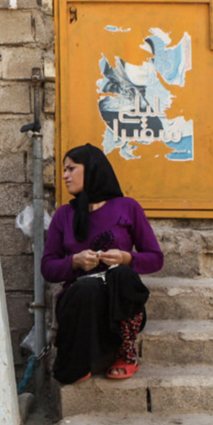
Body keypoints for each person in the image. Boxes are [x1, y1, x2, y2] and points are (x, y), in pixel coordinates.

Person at [41, 143, 163, 384]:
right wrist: (74, 262)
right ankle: (79, 359)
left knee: (122, 275)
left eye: (71, 169)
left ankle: (126, 352)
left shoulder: (128, 207)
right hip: (80, 304)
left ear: (92, 170)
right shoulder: (65, 215)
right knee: (87, 286)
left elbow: (155, 258)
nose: (64, 175)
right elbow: (48, 267)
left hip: (120, 301)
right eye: (64, 170)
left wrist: (127, 258)